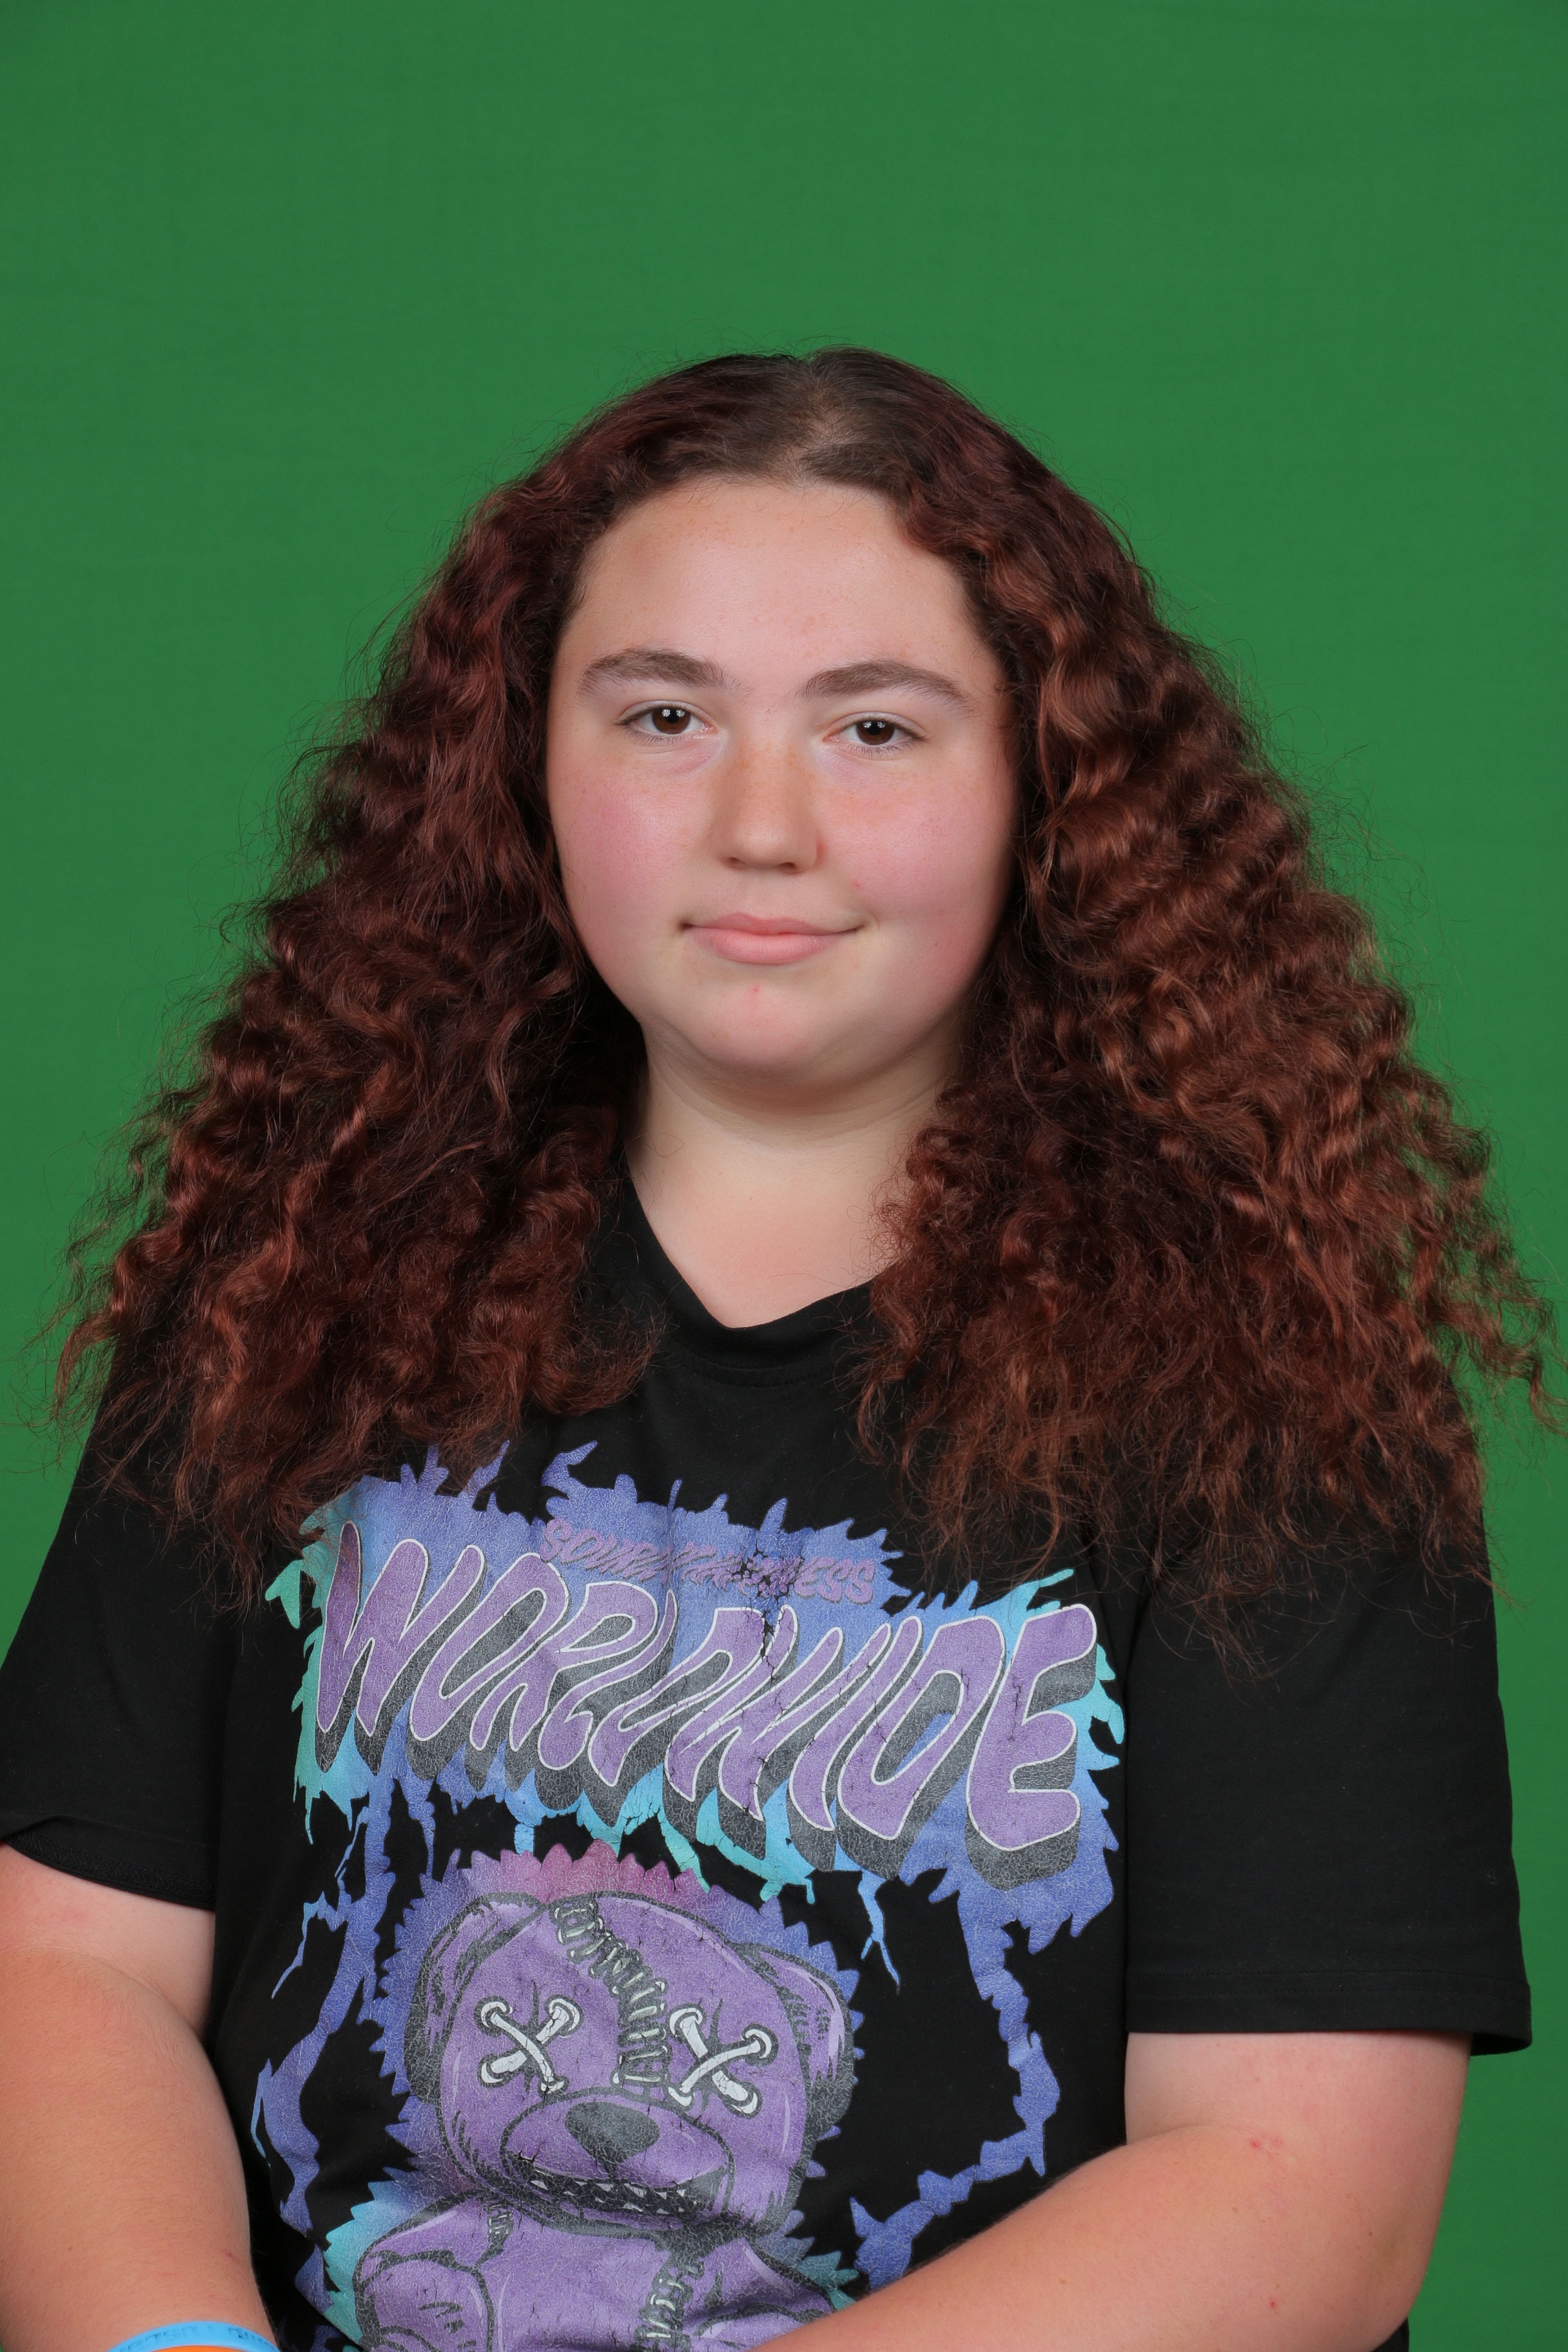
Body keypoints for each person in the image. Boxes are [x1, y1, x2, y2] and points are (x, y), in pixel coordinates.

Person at [0, 349, 1544, 2352]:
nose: (760, 825)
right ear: (525, 767)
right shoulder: (292, 1293)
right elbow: (68, 1974)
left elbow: (1300, 2198)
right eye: (664, 715)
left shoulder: (1275, 1403)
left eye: (875, 727)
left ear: (1042, 792)